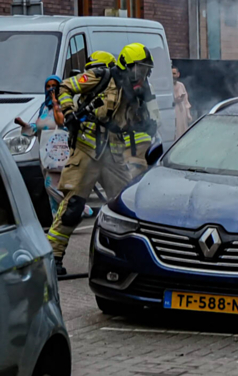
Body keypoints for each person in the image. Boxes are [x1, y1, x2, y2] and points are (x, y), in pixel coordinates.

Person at [47, 47, 149, 275]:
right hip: (87, 148)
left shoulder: (136, 91)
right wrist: (69, 110)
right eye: (140, 68)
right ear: (128, 65)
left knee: (126, 206)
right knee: (73, 206)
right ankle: (52, 256)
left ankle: (126, 256)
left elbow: (134, 126)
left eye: (146, 70)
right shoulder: (101, 76)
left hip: (113, 154)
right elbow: (65, 87)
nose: (143, 74)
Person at [14, 76, 93, 220]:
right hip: (46, 155)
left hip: (61, 153)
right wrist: (24, 125)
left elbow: (61, 121)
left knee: (53, 186)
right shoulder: (43, 107)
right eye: (48, 86)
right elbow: (38, 127)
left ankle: (79, 207)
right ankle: (58, 220)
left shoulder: (65, 105)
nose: (51, 89)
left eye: (54, 86)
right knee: (50, 189)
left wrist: (56, 101)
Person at [172, 67, 193, 140]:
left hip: (182, 112)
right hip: (174, 111)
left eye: (174, 73)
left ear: (178, 74)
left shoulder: (181, 85)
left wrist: (188, 114)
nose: (172, 75)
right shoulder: (169, 86)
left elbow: (186, 101)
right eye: (171, 73)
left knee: (183, 131)